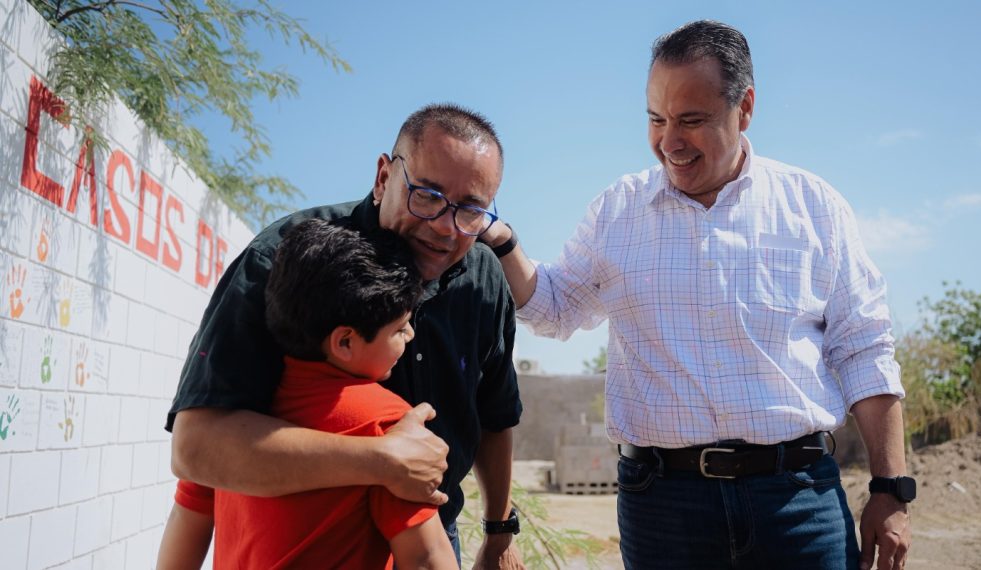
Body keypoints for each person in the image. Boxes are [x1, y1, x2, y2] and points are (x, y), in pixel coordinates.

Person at [480, 20, 912, 570]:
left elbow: (864, 351)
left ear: (745, 107)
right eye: (656, 120)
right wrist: (502, 242)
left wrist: (891, 489)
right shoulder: (618, 211)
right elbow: (555, 306)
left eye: (691, 120)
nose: (669, 141)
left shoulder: (814, 208)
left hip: (798, 501)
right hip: (663, 507)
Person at [166, 104, 525, 567]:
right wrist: (383, 461)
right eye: (428, 195)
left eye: (470, 211)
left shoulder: (483, 279)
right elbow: (197, 450)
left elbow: (493, 414)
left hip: (432, 527)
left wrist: (498, 532)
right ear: (383, 178)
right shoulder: (287, 261)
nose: (444, 226)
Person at [159, 219, 457, 569]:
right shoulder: (387, 424)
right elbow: (425, 558)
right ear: (345, 341)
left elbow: (187, 517)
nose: (409, 336)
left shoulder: (235, 415)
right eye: (399, 328)